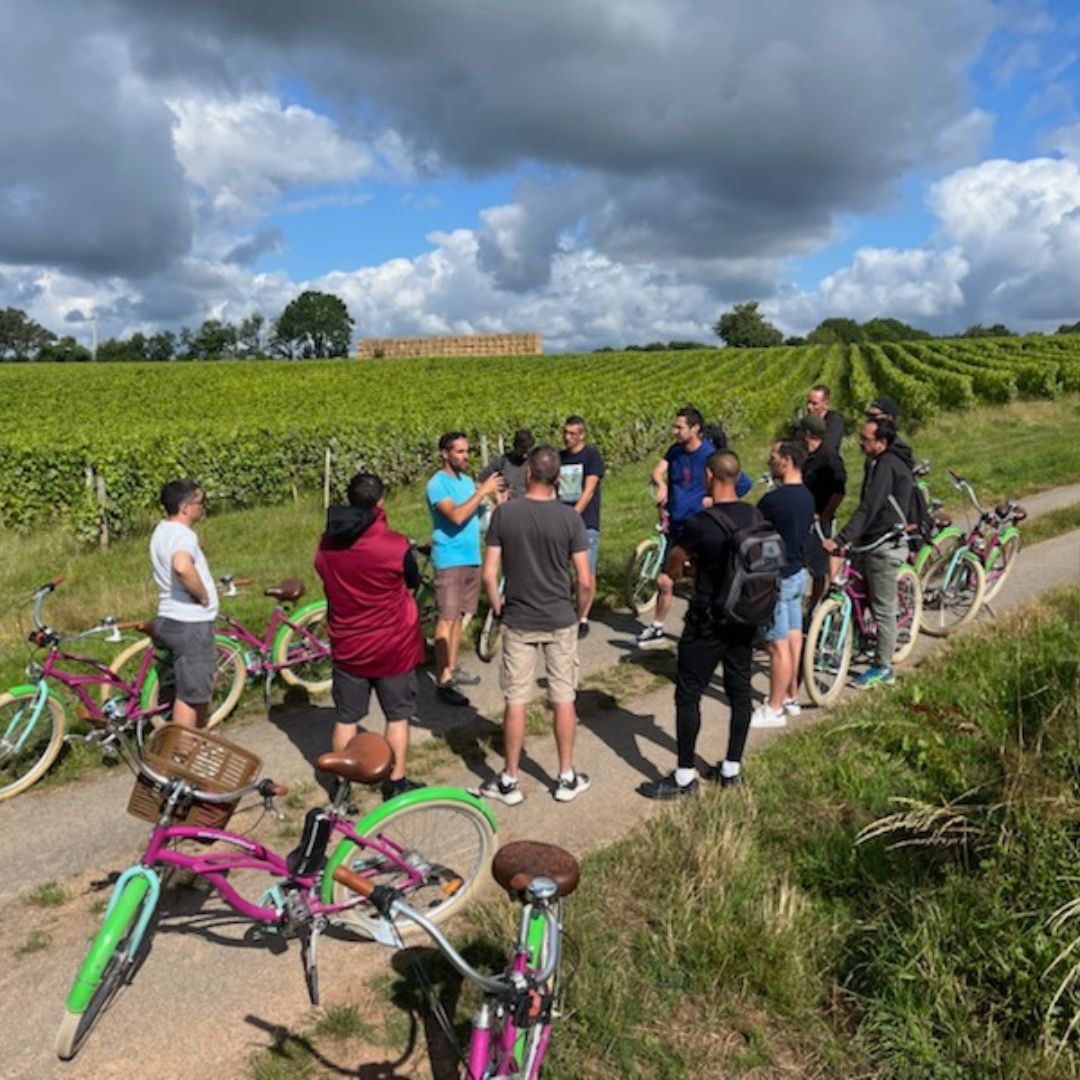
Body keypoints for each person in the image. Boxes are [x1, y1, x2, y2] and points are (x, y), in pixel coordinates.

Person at [638, 451, 758, 799]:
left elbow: (673, 567)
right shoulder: (755, 515)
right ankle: (732, 768)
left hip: (707, 621)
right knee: (740, 691)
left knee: (688, 694)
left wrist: (689, 569)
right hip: (744, 618)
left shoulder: (701, 523)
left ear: (709, 476)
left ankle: (684, 776)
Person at [480, 445, 594, 804]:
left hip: (518, 617)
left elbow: (489, 575)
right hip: (559, 617)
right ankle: (565, 776)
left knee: (516, 699)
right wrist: (579, 612)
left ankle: (510, 779)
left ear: (528, 473)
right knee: (563, 696)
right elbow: (585, 580)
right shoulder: (570, 519)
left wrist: (498, 608)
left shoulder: (505, 515)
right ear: (558, 478)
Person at [314, 472, 425, 800]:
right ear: (381, 501)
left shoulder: (327, 544)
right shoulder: (395, 545)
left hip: (349, 645)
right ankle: (396, 782)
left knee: (346, 718)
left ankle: (342, 787)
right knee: (398, 716)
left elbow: (322, 571)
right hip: (393, 647)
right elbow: (412, 579)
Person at [637, 406, 753, 647]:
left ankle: (709, 629)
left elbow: (743, 483)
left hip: (700, 528)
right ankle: (658, 626)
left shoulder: (711, 456)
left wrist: (714, 500)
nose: (675, 431)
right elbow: (658, 471)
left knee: (701, 580)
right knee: (666, 580)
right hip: (676, 525)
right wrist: (662, 485)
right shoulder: (675, 451)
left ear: (695, 429)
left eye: (679, 427)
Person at [823, 416, 913, 689]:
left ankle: (883, 668)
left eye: (865, 439)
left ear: (881, 442)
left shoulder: (887, 466)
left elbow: (869, 507)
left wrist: (841, 538)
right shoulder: (876, 461)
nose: (860, 442)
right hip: (871, 539)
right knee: (857, 591)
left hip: (884, 544)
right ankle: (857, 641)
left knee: (884, 609)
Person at [426, 431, 502, 707]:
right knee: (446, 618)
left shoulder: (467, 481)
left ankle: (451, 667)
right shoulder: (437, 484)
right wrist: (481, 492)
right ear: (444, 454)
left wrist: (495, 501)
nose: (465, 456)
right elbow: (456, 516)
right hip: (450, 559)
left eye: (467, 451)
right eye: (459, 451)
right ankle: (443, 680)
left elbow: (475, 514)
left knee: (459, 617)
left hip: (471, 557)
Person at [750, 441, 815, 728]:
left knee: (778, 646)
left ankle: (774, 708)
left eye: (774, 457)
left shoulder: (773, 501)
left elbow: (754, 533)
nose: (770, 460)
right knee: (793, 637)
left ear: (787, 460)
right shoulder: (807, 496)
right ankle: (791, 696)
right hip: (798, 573)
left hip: (777, 578)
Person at [149, 479, 218, 730]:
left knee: (191, 686)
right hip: (190, 623)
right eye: (200, 502)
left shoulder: (162, 530)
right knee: (192, 697)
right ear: (185, 507)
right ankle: (184, 748)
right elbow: (181, 566)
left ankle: (195, 743)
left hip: (170, 618)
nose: (202, 507)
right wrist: (202, 595)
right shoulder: (182, 535)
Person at [558, 415, 605, 638]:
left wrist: (573, 515)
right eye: (565, 433)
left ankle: (582, 616)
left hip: (585, 522)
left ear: (582, 435)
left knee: (585, 573)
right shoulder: (560, 458)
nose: (567, 438)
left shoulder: (591, 456)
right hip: (561, 520)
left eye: (572, 434)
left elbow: (589, 491)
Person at [798, 414, 847, 609]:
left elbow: (839, 491)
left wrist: (825, 515)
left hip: (820, 521)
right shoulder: (803, 455)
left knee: (818, 568)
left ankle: (814, 605)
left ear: (806, 433)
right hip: (802, 517)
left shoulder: (829, 458)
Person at [478, 429, 535, 501]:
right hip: (507, 504)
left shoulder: (534, 463)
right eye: (523, 448)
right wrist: (495, 494)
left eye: (528, 448)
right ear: (515, 446)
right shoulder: (502, 461)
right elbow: (481, 479)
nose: (526, 452)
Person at [805, 384, 844, 455]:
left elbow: (829, 447)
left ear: (825, 404)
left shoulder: (834, 421)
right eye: (808, 402)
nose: (809, 407)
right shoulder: (806, 422)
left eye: (814, 404)